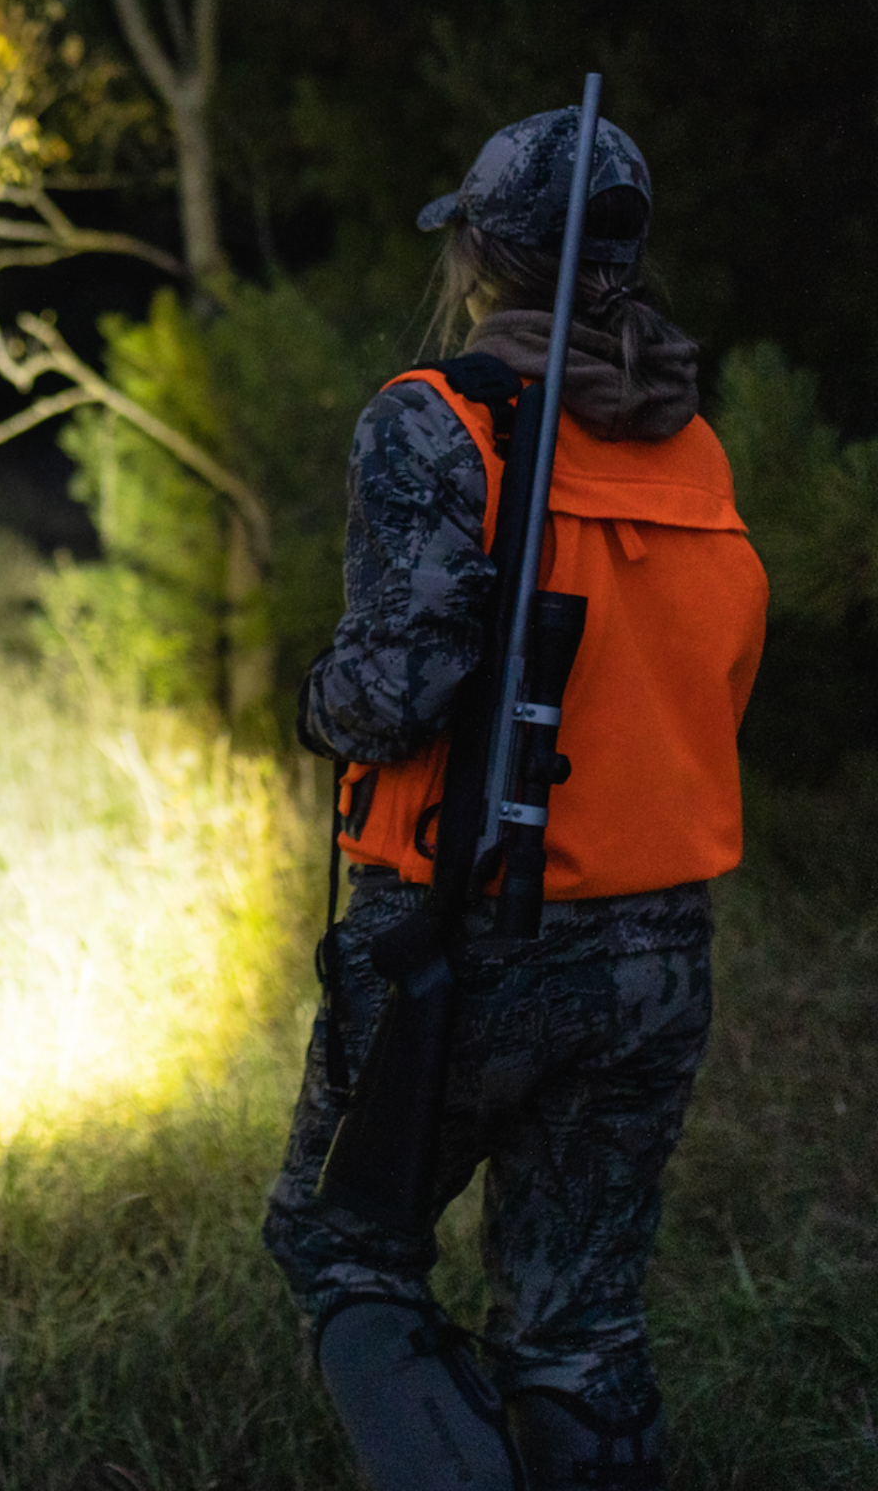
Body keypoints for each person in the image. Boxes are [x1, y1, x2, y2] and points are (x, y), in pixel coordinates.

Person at [262, 109, 769, 1491]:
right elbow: (710, 680)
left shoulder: (436, 420)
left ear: (484, 253)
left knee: (342, 1245)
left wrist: (316, 702)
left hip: (467, 932)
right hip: (659, 950)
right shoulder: (691, 447)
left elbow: (397, 686)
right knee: (580, 1319)